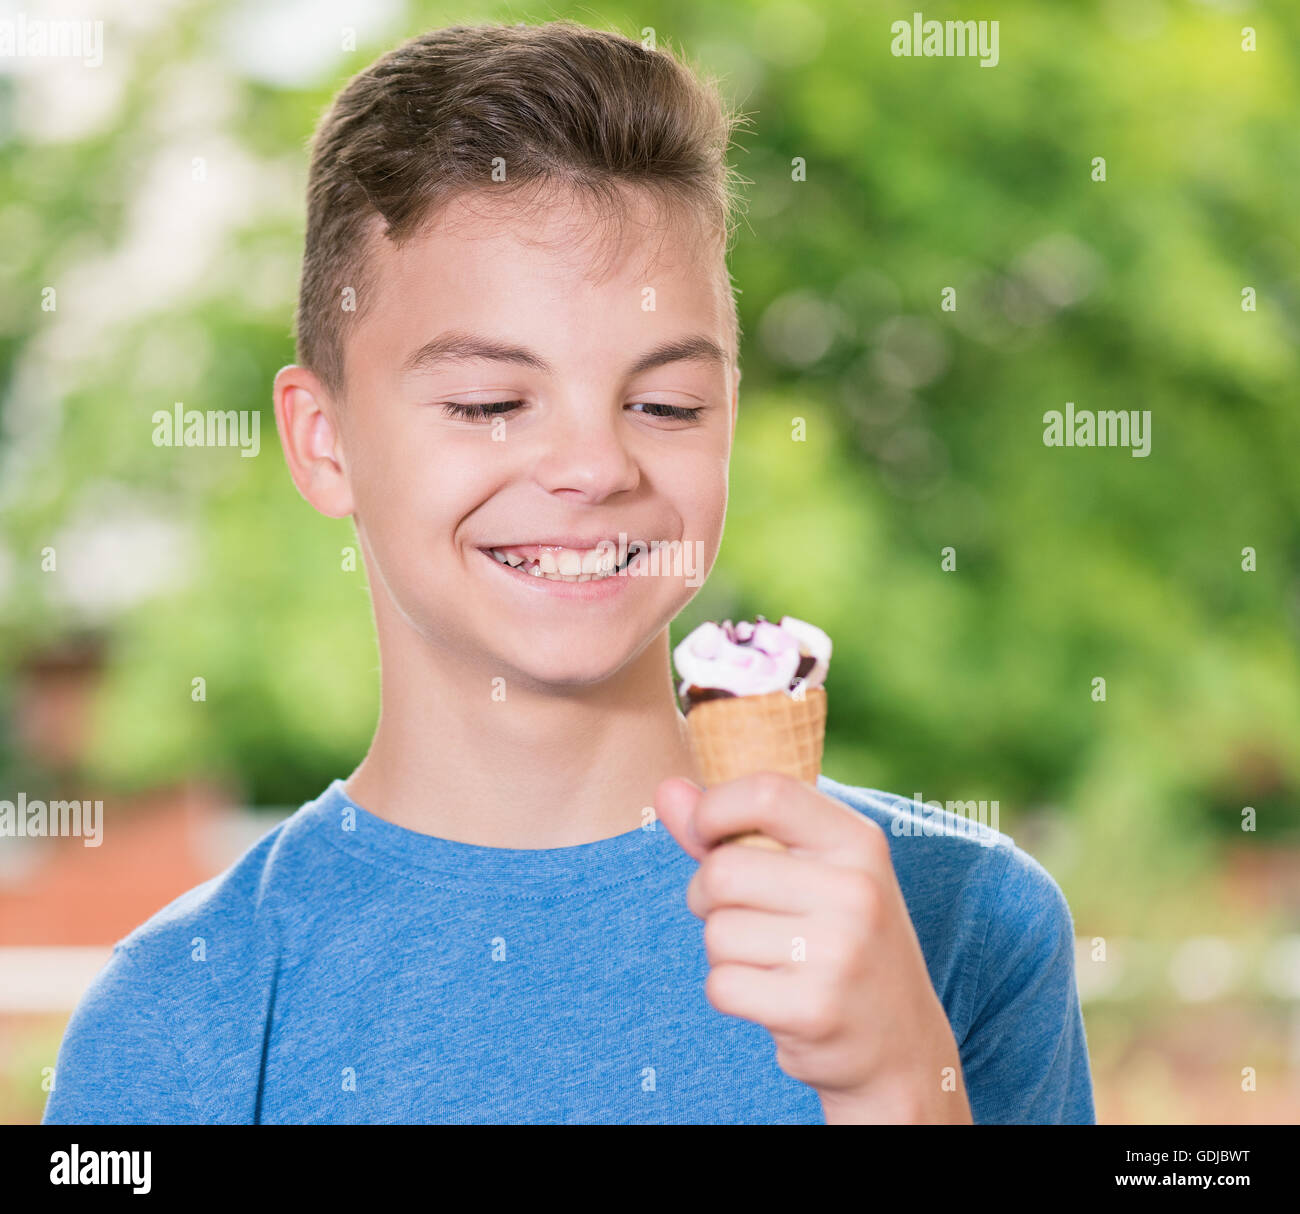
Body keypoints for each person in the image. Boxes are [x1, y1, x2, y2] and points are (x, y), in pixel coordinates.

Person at [43, 20, 1094, 1125]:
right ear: (322, 442)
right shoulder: (178, 1016)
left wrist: (899, 1087)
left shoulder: (963, 921)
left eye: (665, 403)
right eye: (492, 402)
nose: (595, 466)